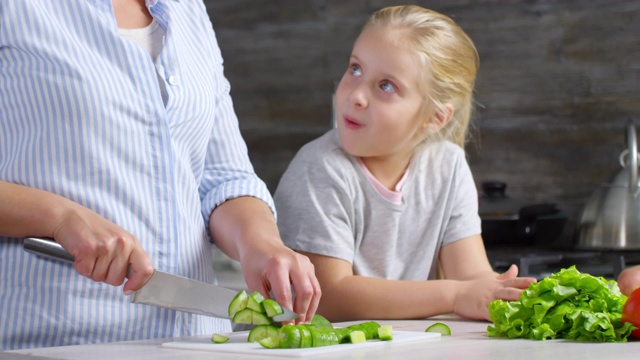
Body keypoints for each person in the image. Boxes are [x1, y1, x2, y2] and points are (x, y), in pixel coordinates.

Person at [0, 0, 320, 350]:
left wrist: (260, 244)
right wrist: (60, 216)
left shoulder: (187, 9)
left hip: (193, 342)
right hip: (55, 338)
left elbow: (222, 175)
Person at [273, 5, 535, 322]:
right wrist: (455, 296)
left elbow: (471, 275)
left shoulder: (447, 166)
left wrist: (513, 292)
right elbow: (329, 296)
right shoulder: (321, 168)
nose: (356, 95)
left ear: (436, 118)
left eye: (386, 86)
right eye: (355, 69)